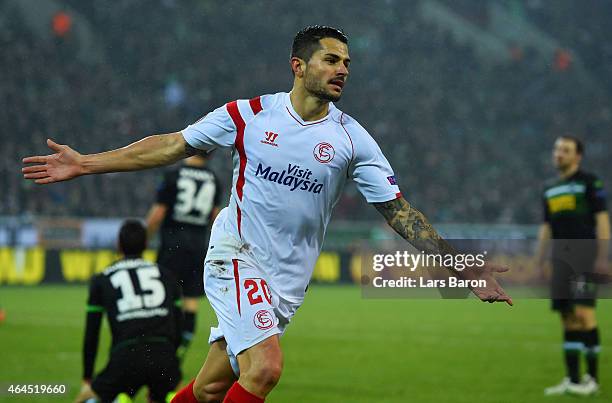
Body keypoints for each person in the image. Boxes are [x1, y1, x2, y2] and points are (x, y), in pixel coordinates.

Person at [24, 25, 511, 403]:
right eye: (331, 59)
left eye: (347, 62)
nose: (343, 69)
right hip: (236, 255)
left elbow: (398, 211)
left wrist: (460, 265)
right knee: (266, 369)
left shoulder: (352, 139)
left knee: (211, 388)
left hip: (285, 282)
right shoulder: (248, 114)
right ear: (298, 65)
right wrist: (87, 163)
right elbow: (172, 144)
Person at [74, 220, 183, 403]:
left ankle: (119, 399)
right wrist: (171, 363)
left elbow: (92, 334)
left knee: (86, 399)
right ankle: (167, 396)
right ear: (146, 245)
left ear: (119, 245)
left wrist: (87, 377)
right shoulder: (166, 275)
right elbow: (179, 325)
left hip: (125, 357)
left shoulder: (102, 279)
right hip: (164, 355)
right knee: (170, 394)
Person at [537, 136, 609, 396]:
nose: (559, 154)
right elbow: (546, 228)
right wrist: (540, 259)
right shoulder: (549, 188)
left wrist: (602, 256)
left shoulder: (590, 183)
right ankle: (573, 379)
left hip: (584, 254)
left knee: (583, 314)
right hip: (560, 258)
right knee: (567, 318)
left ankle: (592, 379)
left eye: (565, 150)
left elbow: (601, 220)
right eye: (557, 149)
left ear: (578, 156)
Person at [146, 154, 222, 360]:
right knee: (190, 301)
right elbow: (215, 217)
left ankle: (160, 346)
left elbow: (158, 213)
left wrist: (144, 239)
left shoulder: (173, 175)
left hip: (172, 245)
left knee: (163, 298)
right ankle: (180, 350)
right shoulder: (214, 179)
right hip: (198, 247)